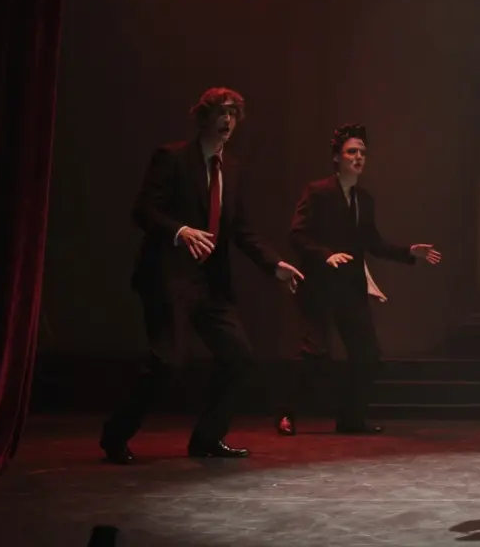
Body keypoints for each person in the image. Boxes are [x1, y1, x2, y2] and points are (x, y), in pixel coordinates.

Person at [100, 88, 304, 464]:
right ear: (204, 118)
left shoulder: (233, 169)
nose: (228, 120)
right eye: (221, 113)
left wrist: (274, 264)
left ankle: (208, 438)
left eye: (234, 114)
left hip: (210, 283)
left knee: (239, 358)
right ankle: (115, 435)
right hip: (169, 277)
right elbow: (143, 210)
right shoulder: (173, 157)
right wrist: (181, 231)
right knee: (167, 363)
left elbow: (241, 229)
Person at [276, 123, 441, 436]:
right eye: (352, 151)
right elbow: (297, 234)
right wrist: (325, 254)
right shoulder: (318, 191)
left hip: (350, 288)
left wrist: (410, 252)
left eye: (363, 152)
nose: (359, 157)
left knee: (367, 354)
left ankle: (350, 418)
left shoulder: (364, 199)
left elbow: (373, 243)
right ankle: (286, 413)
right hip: (320, 286)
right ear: (337, 157)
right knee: (313, 353)